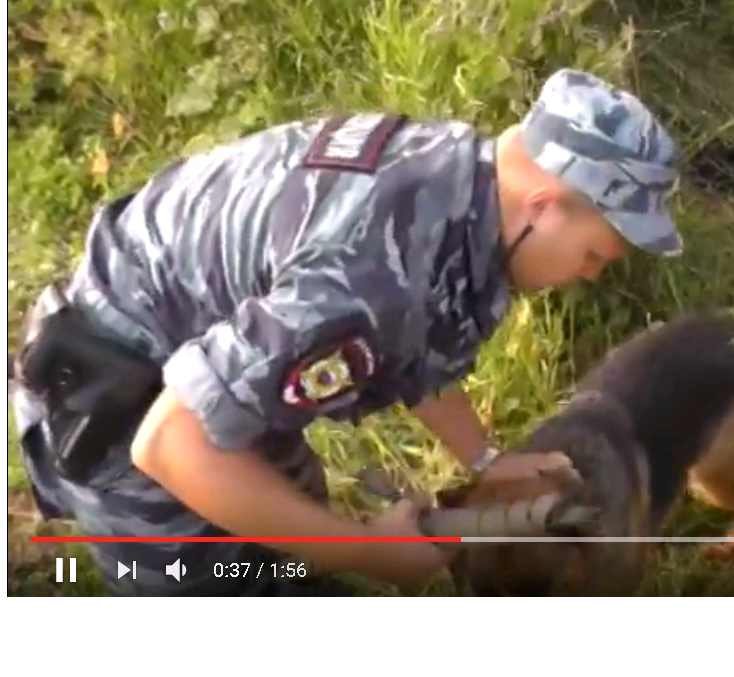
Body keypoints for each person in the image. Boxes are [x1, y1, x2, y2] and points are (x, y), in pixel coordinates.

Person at [10, 68, 683, 596]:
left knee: (287, 530)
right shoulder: (366, 276)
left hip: (216, 369)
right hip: (122, 413)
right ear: (545, 205)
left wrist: (484, 461)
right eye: (595, 256)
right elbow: (172, 446)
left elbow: (416, 332)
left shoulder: (460, 176)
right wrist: (365, 550)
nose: (589, 275)